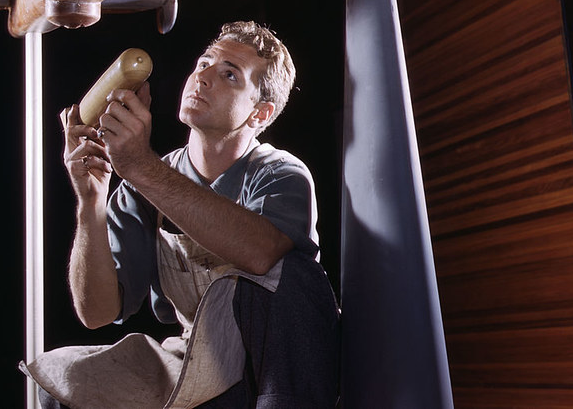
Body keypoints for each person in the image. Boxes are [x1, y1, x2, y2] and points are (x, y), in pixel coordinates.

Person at [21, 21, 339, 408]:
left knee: (294, 271)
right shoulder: (144, 183)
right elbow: (96, 312)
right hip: (198, 364)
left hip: (267, 372)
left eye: (229, 75)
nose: (203, 77)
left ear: (259, 113)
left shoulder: (279, 173)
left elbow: (261, 255)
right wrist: (91, 202)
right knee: (64, 381)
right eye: (204, 62)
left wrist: (141, 167)